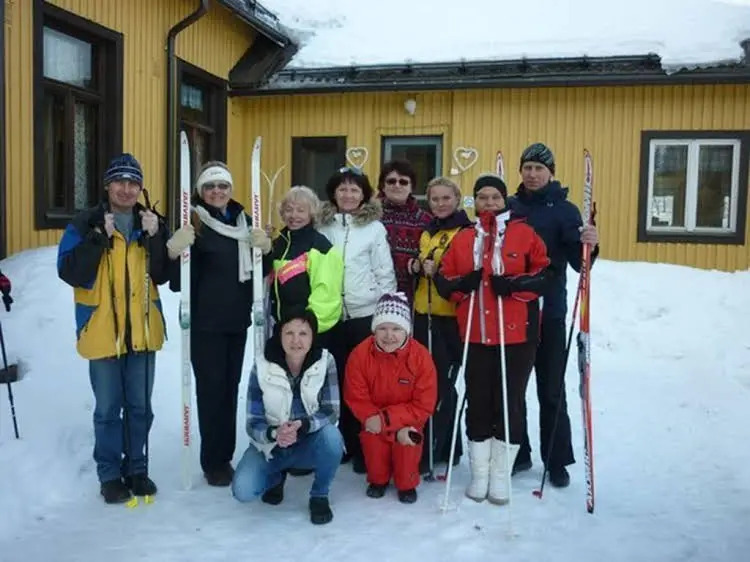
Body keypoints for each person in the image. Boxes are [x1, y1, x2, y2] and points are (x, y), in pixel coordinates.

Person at [57, 153, 171, 503]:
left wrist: (156, 237)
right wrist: (97, 238)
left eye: (133, 183)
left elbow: (164, 275)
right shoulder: (84, 223)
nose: (126, 189)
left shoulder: (150, 222)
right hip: (102, 330)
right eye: (119, 181)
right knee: (108, 411)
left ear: (140, 187)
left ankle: (136, 468)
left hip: (142, 331)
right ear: (107, 185)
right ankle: (109, 475)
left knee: (140, 408)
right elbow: (69, 272)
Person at [436, 173, 551, 504]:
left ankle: (500, 476)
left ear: (505, 200)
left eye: (495, 197)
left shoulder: (524, 233)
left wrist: (514, 285)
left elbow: (545, 274)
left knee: (509, 402)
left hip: (516, 335)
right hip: (475, 334)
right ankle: (480, 474)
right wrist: (463, 284)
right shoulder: (464, 237)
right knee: (478, 402)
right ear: (474, 201)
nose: (489, 203)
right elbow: (444, 279)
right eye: (482, 197)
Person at [165, 160, 271, 487]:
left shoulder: (244, 221)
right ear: (200, 191)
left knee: (230, 389)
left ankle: (225, 454)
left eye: (222, 185)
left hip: (236, 321)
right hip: (205, 324)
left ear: (230, 189)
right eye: (210, 186)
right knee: (212, 392)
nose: (216, 191)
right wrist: (175, 251)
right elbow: (178, 283)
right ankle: (214, 462)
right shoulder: (194, 222)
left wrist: (266, 248)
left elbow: (259, 269)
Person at [507, 143, 600, 488]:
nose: (532, 174)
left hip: (550, 312)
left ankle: (556, 459)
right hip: (514, 310)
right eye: (527, 168)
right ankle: (517, 452)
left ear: (551, 173)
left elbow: (580, 263)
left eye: (539, 169)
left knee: (551, 389)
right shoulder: (510, 207)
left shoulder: (565, 210)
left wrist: (590, 243)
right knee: (513, 387)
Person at [318, 167, 397, 474]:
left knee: (362, 384)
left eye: (354, 189)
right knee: (332, 382)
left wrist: (384, 314)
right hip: (329, 315)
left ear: (364, 194)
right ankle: (337, 442)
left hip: (363, 315)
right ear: (333, 193)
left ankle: (363, 444)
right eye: (342, 189)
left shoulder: (374, 229)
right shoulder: (322, 226)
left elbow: (384, 272)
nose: (348, 195)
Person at [231, 309, 343, 525]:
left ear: (313, 336)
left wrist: (305, 425)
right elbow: (253, 421)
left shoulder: (325, 361)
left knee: (332, 438)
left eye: (303, 333)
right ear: (279, 335)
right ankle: (276, 477)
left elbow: (331, 410)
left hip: (309, 439)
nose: (296, 341)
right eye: (289, 333)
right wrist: (275, 433)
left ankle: (319, 495)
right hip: (272, 446)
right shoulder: (262, 365)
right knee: (242, 490)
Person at [344, 292, 437, 504]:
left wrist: (387, 419)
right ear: (374, 330)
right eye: (383, 328)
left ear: (406, 331)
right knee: (374, 443)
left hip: (407, 420)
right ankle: (378, 481)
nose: (389, 336)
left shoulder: (420, 357)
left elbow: (424, 404)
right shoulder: (360, 355)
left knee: (408, 441)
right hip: (373, 418)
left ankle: (407, 484)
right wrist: (371, 418)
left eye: (396, 329)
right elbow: (356, 394)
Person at [411, 177, 473, 471]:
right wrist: (415, 266)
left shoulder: (465, 231)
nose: (440, 204)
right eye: (434, 199)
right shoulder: (429, 231)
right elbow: (421, 263)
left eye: (446, 198)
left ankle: (434, 449)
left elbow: (463, 273)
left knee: (441, 386)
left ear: (457, 199)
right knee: (427, 384)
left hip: (450, 318)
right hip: (424, 314)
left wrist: (436, 270)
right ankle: (450, 446)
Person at [256, 186, 343, 349]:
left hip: (309, 333)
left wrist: (305, 328)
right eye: (289, 210)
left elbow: (326, 295)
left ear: (311, 214)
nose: (294, 216)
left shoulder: (320, 247)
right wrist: (263, 250)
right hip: (282, 330)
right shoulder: (278, 244)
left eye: (301, 210)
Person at [377, 160, 431, 305]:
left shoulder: (425, 220)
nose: (397, 185)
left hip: (412, 296)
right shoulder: (370, 217)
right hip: (373, 294)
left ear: (411, 187)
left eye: (403, 182)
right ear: (383, 186)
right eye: (391, 181)